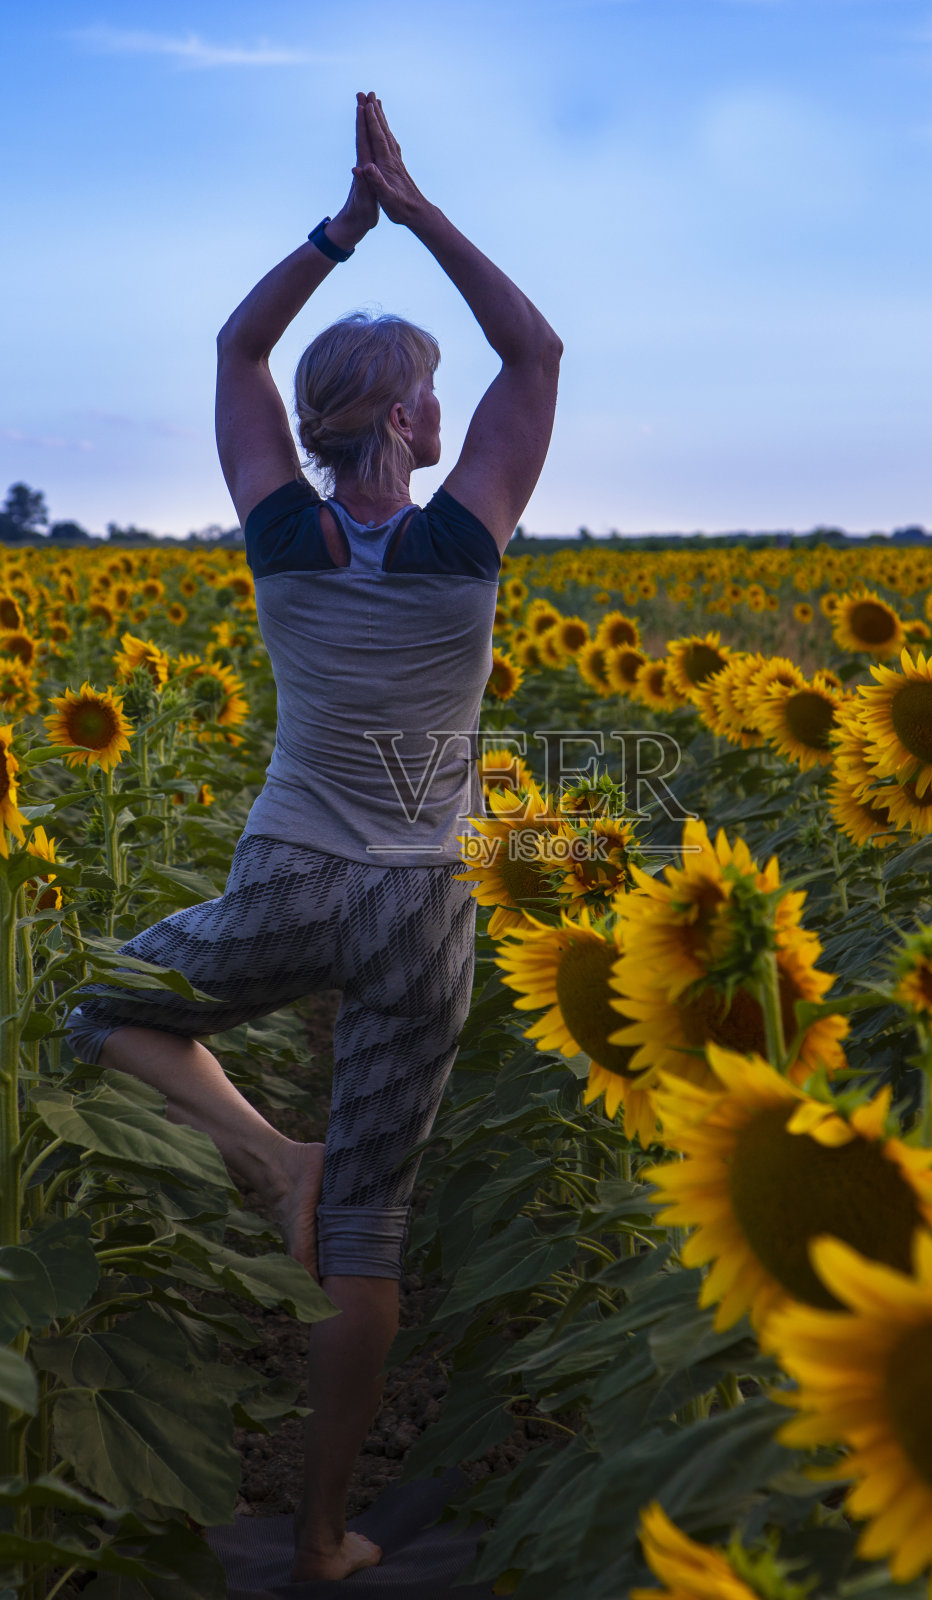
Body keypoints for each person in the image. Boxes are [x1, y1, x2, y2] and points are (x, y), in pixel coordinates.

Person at [66, 90, 562, 1582]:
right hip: (422, 909)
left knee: (106, 1012)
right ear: (418, 421)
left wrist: (336, 235)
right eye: (425, 394)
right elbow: (534, 353)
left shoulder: (280, 532)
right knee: (373, 1235)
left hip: (287, 875)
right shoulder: (461, 541)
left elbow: (236, 353)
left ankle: (269, 1153)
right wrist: (416, 214)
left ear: (319, 423)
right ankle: (331, 1532)